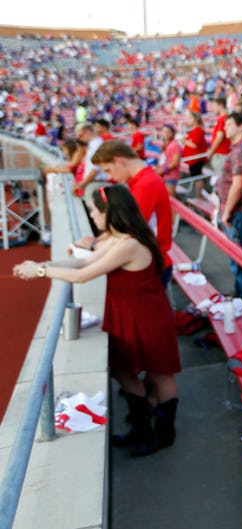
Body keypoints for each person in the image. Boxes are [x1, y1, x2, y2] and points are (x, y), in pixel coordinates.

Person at [14, 185, 181, 457]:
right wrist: (45, 265)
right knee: (125, 371)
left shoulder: (128, 243)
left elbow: (83, 276)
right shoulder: (119, 239)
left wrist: (41, 270)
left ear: (110, 211)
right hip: (132, 314)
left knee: (160, 373)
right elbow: (82, 264)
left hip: (147, 317)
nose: (92, 214)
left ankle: (162, 434)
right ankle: (142, 429)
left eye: (95, 209)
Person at [90, 140, 175, 286]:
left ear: (118, 161)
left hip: (152, 263)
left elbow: (128, 229)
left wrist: (95, 245)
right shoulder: (141, 181)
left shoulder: (145, 184)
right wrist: (97, 241)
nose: (110, 177)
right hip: (152, 259)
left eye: (108, 170)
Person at [217, 112, 242, 302]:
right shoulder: (237, 149)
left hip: (239, 211)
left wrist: (226, 212)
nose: (225, 128)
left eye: (230, 124)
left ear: (241, 126)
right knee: (238, 257)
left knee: (241, 258)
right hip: (237, 210)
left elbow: (238, 183)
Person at [182, 111, 208, 197]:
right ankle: (198, 195)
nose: (188, 120)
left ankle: (199, 196)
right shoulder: (194, 130)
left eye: (190, 118)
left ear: (195, 119)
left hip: (196, 159)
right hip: (192, 159)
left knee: (197, 178)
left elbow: (194, 145)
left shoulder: (198, 130)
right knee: (196, 177)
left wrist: (184, 140)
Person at [206, 97, 231, 178]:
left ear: (221, 105)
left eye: (215, 106)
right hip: (224, 153)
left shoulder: (222, 119)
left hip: (221, 154)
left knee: (220, 178)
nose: (213, 108)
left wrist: (211, 151)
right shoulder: (227, 117)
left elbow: (219, 137)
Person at [155, 124, 182, 198]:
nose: (166, 134)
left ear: (173, 133)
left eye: (168, 132)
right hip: (164, 175)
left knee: (171, 200)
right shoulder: (166, 145)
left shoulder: (175, 145)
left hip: (170, 175)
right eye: (164, 132)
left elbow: (175, 162)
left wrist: (163, 170)